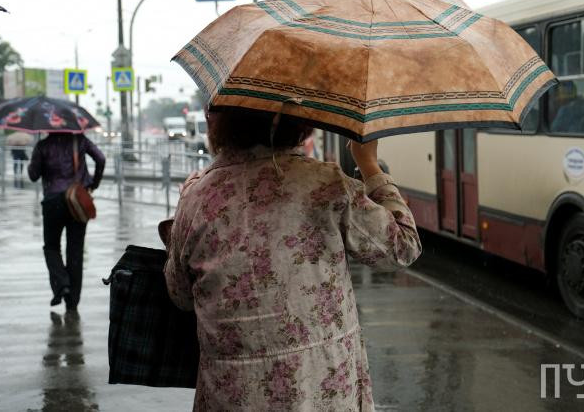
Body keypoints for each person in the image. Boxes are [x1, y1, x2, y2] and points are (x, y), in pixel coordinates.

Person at [164, 108, 422, 411]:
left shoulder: (196, 197)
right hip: (321, 392)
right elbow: (403, 247)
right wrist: (369, 165)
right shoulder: (323, 184)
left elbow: (180, 295)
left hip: (232, 397)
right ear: (294, 121)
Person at [28, 132, 105, 312]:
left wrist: (33, 162)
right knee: (75, 250)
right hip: (77, 200)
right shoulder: (80, 140)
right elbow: (100, 158)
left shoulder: (43, 145)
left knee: (51, 247)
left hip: (52, 202)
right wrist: (94, 183)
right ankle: (73, 301)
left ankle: (62, 283)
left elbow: (33, 175)